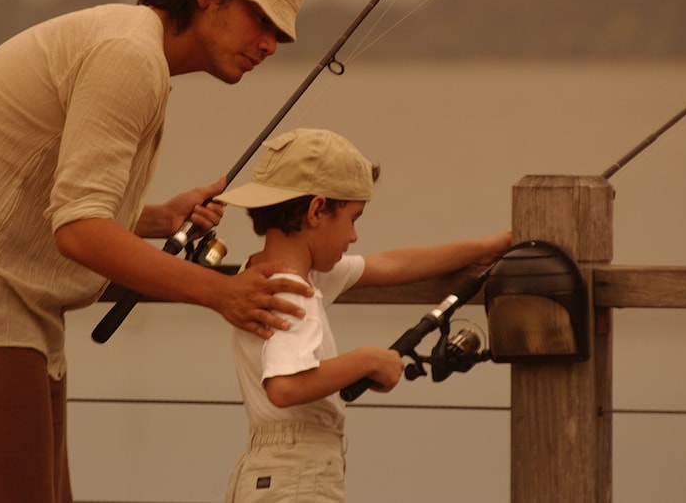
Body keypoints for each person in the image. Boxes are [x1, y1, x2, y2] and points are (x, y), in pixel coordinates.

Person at [0, 0, 316, 503]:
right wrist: (221, 293)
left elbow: (60, 205)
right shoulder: (128, 57)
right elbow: (78, 231)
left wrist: (158, 219)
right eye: (262, 19)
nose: (270, 45)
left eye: (280, 33)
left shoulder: (128, 45)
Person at [215, 128, 512, 503]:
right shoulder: (293, 293)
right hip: (297, 477)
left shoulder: (263, 275)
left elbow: (390, 265)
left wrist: (484, 248)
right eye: (353, 219)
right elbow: (284, 386)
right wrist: (366, 359)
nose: (354, 236)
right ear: (317, 211)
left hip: (268, 466)